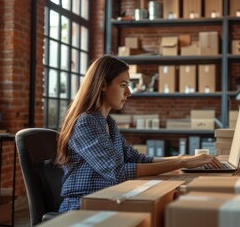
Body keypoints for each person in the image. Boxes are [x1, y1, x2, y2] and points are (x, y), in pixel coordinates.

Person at [56, 55, 222, 212]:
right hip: (83, 206)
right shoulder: (86, 122)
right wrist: (182, 164)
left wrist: (183, 159)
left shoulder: (108, 123)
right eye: (123, 85)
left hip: (110, 199)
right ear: (103, 85)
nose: (129, 92)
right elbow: (118, 172)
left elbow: (136, 159)